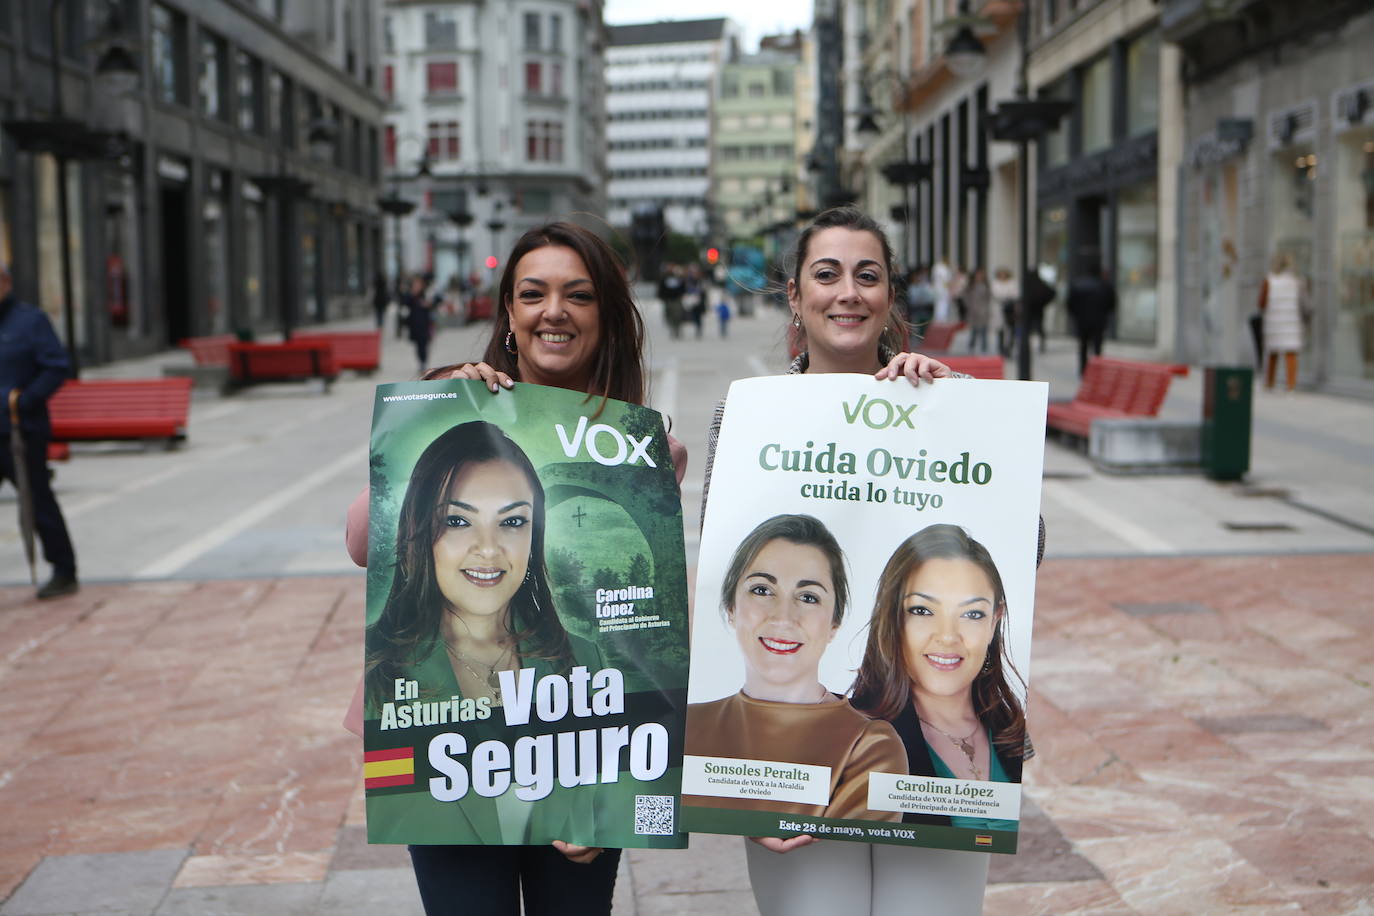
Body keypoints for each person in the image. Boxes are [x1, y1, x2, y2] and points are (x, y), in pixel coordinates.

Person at [345, 221, 686, 916]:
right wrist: (440, 411)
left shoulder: (647, 451)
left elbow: (635, 635)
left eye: (578, 295)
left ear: (607, 316)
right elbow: (360, 541)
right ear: (509, 313)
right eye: (532, 293)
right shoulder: (449, 404)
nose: (552, 311)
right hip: (436, 747)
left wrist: (610, 799)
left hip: (578, 745)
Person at [700, 207, 974, 916]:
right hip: (788, 755)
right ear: (795, 294)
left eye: (867, 276)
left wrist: (963, 419)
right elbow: (725, 565)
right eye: (827, 275)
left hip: (932, 754)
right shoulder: (747, 417)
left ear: (889, 299)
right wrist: (739, 781)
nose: (847, 292)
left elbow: (1020, 549)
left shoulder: (942, 403)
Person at [684, 514, 907, 821]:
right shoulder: (683, 729)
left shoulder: (869, 745)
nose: (783, 617)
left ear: (834, 624)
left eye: (808, 597)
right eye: (762, 590)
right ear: (731, 608)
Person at [851, 524, 1027, 837]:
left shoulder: (1013, 731)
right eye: (922, 610)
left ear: (994, 621)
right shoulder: (850, 736)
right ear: (893, 618)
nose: (947, 636)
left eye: (972, 614)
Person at [0, 263, 78, 600]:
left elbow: (57, 366)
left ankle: (63, 569)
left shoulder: (30, 322)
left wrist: (27, 399)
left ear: (5, 283)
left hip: (22, 431)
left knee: (37, 501)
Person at [1258, 251, 1304, 391]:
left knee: (1273, 353)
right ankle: (1291, 384)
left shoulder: (1269, 281)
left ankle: (1270, 382)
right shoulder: (1295, 281)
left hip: (1274, 321)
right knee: (1291, 353)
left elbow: (1261, 303)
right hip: (1291, 321)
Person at [1066, 265, 1116, 376]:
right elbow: (1112, 304)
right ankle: (1097, 370)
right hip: (1099, 321)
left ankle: (1083, 370)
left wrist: (1076, 316)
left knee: (1083, 346)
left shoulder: (1078, 285)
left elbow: (1070, 304)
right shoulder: (1105, 286)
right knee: (1097, 347)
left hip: (1082, 321)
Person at [402, 274, 435, 374]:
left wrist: (427, 305)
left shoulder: (425, 294)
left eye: (419, 284)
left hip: (425, 323)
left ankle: (424, 362)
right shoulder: (410, 295)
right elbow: (405, 304)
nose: (417, 286)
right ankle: (421, 362)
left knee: (424, 344)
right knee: (418, 345)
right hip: (414, 324)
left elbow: (433, 303)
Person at [1020, 267, 1055, 354]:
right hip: (1035, 309)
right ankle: (1037, 344)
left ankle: (1033, 344)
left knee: (1031, 328)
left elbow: (1051, 293)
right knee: (1037, 327)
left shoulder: (1030, 284)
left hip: (1032, 309)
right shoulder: (1036, 283)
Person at [990, 267, 1018, 358]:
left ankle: (1009, 349)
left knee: (1011, 331)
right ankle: (1001, 349)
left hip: (1010, 310)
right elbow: (996, 294)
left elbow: (1015, 294)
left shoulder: (1012, 283)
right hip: (999, 309)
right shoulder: (995, 283)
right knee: (1000, 330)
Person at [963, 268, 992, 354]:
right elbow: (965, 297)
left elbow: (989, 297)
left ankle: (984, 348)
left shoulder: (985, 285)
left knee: (984, 331)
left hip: (983, 311)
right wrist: (969, 306)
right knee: (974, 331)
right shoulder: (971, 286)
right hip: (973, 311)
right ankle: (971, 347)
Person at [657, 264, 686, 339]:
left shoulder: (678, 278)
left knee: (677, 314)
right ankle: (672, 328)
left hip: (676, 299)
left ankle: (677, 328)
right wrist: (661, 296)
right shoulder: (664, 278)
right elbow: (661, 288)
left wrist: (682, 294)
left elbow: (682, 286)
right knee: (668, 314)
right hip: (668, 299)